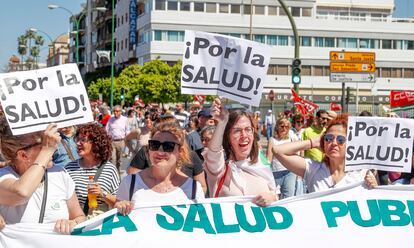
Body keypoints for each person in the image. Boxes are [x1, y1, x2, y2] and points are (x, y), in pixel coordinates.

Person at [0, 122, 85, 234]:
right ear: (23, 155)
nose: (54, 148)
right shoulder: (4, 176)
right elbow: (21, 193)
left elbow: (79, 217)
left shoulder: (60, 173)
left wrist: (73, 223)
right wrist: (47, 150)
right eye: (44, 143)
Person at [272, 114, 378, 193]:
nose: (334, 143)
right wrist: (314, 142)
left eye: (341, 140)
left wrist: (374, 187)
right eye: (329, 138)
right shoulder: (313, 169)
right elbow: (277, 151)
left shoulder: (362, 173)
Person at [115, 122, 205, 215]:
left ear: (180, 152)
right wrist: (121, 206)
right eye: (154, 145)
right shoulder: (130, 183)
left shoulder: (194, 188)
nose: (160, 151)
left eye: (168, 146)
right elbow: (117, 220)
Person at [203, 98, 279, 207]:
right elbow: (214, 152)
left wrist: (272, 197)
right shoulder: (219, 169)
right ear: (228, 137)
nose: (244, 136)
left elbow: (276, 197)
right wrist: (222, 123)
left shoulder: (261, 166)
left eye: (248, 129)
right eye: (237, 131)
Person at [65, 123, 120, 217]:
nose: (78, 143)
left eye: (83, 140)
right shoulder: (69, 168)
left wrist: (102, 193)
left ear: (95, 143)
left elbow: (119, 202)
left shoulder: (109, 169)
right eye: (77, 140)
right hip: (76, 223)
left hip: (100, 224)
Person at [266, 118, 297, 199]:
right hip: (276, 172)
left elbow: (295, 157)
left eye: (287, 127)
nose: (284, 129)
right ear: (277, 127)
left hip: (290, 172)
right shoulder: (272, 140)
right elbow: (268, 159)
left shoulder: (291, 139)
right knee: (275, 197)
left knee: (289, 197)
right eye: (282, 126)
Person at [106, 105, 130, 172]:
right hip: (112, 142)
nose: (115, 113)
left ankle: (118, 172)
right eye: (114, 111)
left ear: (120, 112)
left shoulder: (125, 119)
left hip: (121, 142)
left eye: (117, 111)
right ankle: (112, 173)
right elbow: (107, 130)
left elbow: (127, 130)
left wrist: (127, 140)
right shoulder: (111, 119)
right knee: (112, 158)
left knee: (119, 159)